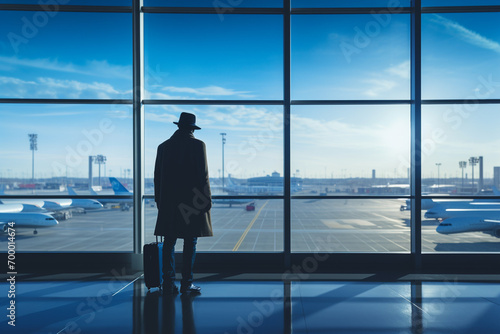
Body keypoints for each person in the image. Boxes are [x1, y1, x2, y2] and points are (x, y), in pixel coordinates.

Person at [154, 112, 213, 294]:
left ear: (178, 126)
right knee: (190, 242)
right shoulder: (198, 145)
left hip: (169, 203)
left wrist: (159, 201)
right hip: (191, 203)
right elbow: (203, 176)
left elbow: (157, 178)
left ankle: (168, 283)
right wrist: (207, 200)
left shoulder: (163, 147)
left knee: (169, 242)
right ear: (192, 129)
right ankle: (187, 283)